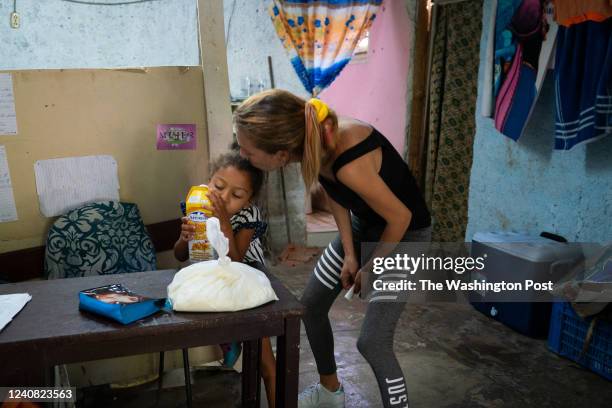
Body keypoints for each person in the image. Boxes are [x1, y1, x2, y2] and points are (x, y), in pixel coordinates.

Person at [233, 89, 432, 408]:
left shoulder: (347, 158)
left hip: (405, 235)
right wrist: (351, 254)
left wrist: (372, 267)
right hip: (363, 223)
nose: (243, 155)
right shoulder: (314, 141)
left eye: (248, 150)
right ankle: (329, 393)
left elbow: (401, 216)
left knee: (374, 343)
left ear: (281, 154)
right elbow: (336, 194)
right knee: (310, 308)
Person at [173, 151, 277, 408]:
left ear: (249, 199)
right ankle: (229, 342)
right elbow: (179, 255)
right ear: (209, 181)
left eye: (237, 195)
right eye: (219, 186)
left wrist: (222, 221)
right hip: (209, 279)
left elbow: (236, 259)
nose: (224, 197)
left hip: (246, 278)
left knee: (265, 362)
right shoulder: (195, 204)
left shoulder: (248, 215)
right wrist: (184, 239)